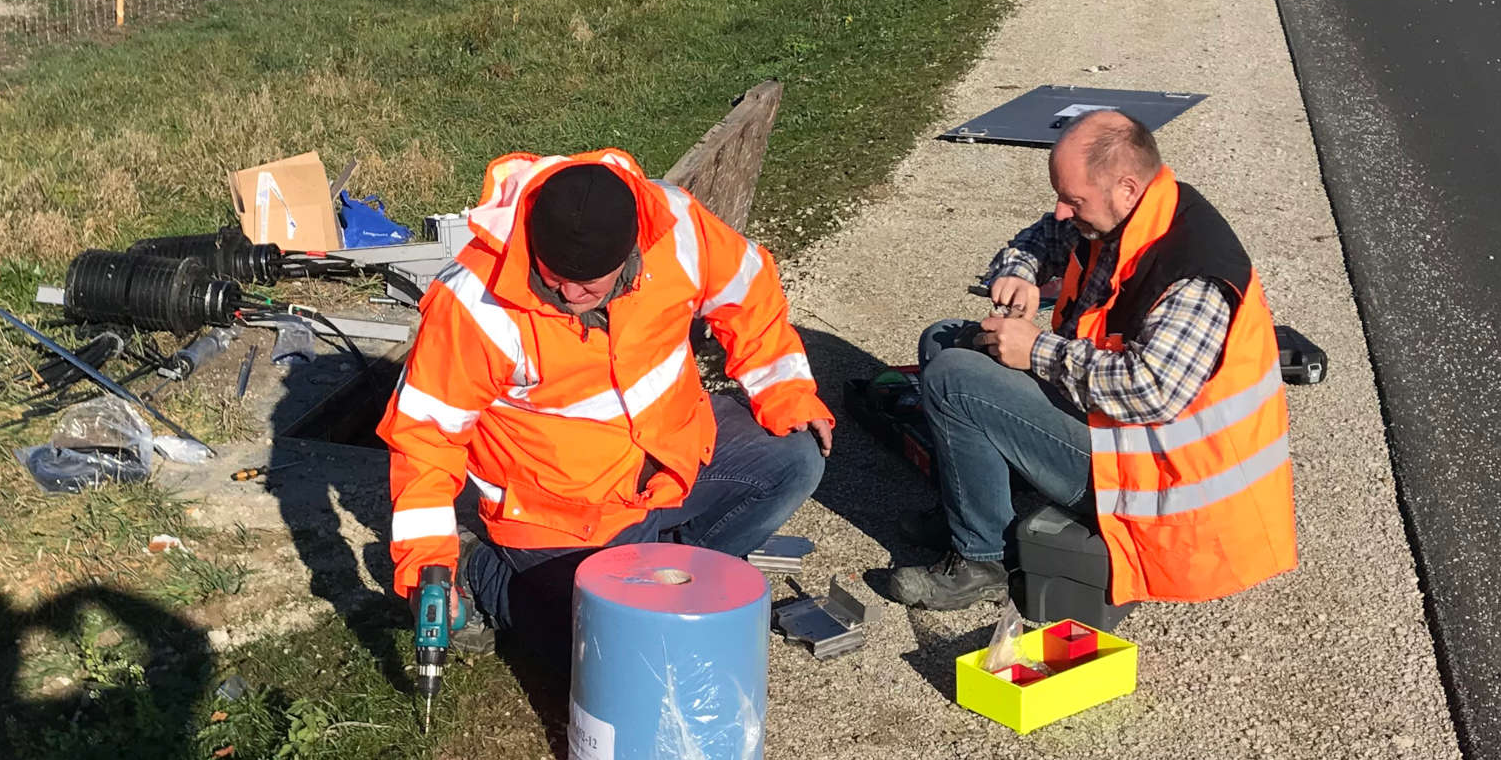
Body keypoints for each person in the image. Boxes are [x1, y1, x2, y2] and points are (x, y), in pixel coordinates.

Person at [379, 150, 832, 662]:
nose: (569, 294)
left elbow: (748, 289)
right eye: (552, 278)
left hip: (671, 459)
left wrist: (785, 391)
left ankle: (666, 582)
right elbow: (425, 439)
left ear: (630, 251)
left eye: (588, 284)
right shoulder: (472, 304)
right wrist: (426, 565)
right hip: (562, 513)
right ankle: (482, 572)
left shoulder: (675, 225)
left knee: (796, 459)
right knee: (612, 655)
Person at [882, 109, 1295, 611]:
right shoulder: (1128, 214)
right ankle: (977, 507)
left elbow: (1149, 391)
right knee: (942, 342)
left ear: (1125, 187)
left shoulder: (1194, 275)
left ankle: (981, 559)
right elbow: (1044, 235)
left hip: (1163, 484)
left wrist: (1036, 351)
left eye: (1072, 200)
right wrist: (1020, 271)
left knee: (953, 380)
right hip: (1117, 432)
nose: (1060, 211)